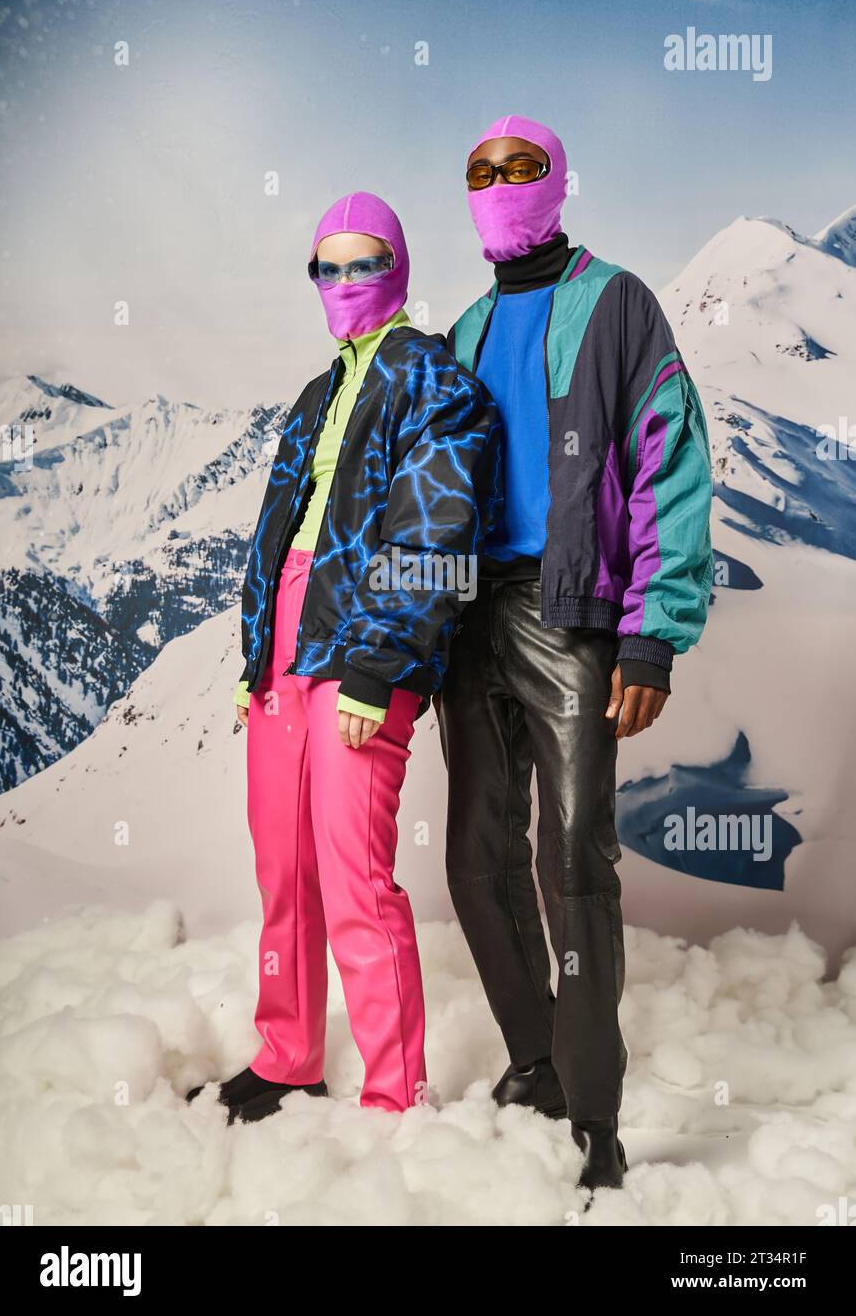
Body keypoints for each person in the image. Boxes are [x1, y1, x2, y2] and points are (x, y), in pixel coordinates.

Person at [439, 116, 713, 1190]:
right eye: (479, 171)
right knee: (476, 858)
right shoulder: (459, 329)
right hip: (470, 617)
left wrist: (650, 632)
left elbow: (669, 464)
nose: (500, 184)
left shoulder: (615, 304)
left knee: (573, 861)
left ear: (556, 182)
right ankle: (536, 1058)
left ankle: (594, 1116)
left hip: (571, 616)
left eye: (520, 168)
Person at [189, 191, 501, 1122]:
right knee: (283, 867)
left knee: (353, 873)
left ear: (399, 270)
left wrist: (377, 664)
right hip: (288, 631)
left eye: (365, 263)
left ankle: (392, 1093)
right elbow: (274, 531)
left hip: (366, 634)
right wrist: (256, 660)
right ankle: (287, 1055)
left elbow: (436, 531)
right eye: (328, 266)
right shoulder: (317, 392)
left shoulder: (434, 383)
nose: (345, 282)